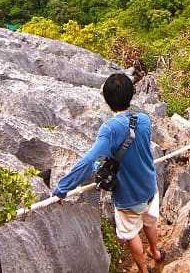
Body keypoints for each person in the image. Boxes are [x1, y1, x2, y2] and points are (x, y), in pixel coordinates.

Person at [52, 73, 163, 272]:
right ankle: (155, 252)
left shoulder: (109, 129)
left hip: (129, 196)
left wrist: (62, 187)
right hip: (150, 186)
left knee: (130, 234)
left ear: (106, 99)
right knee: (149, 221)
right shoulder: (144, 120)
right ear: (131, 94)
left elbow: (89, 160)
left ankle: (144, 270)